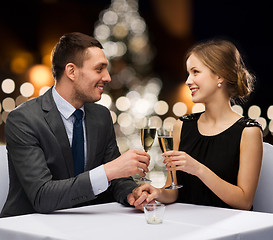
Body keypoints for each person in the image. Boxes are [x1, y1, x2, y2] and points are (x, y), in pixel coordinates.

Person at [1, 32, 150, 218]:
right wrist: (107, 171)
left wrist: (132, 193)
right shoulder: (23, 119)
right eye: (99, 69)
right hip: (27, 227)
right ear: (71, 71)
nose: (108, 77)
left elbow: (118, 180)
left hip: (86, 224)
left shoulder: (101, 116)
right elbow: (42, 196)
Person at [128, 39, 263, 210]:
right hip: (186, 223)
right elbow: (173, 190)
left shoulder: (248, 131)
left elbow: (244, 202)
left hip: (228, 228)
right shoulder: (182, 126)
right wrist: (156, 192)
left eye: (195, 72)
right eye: (188, 73)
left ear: (220, 75)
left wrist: (198, 169)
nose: (188, 81)